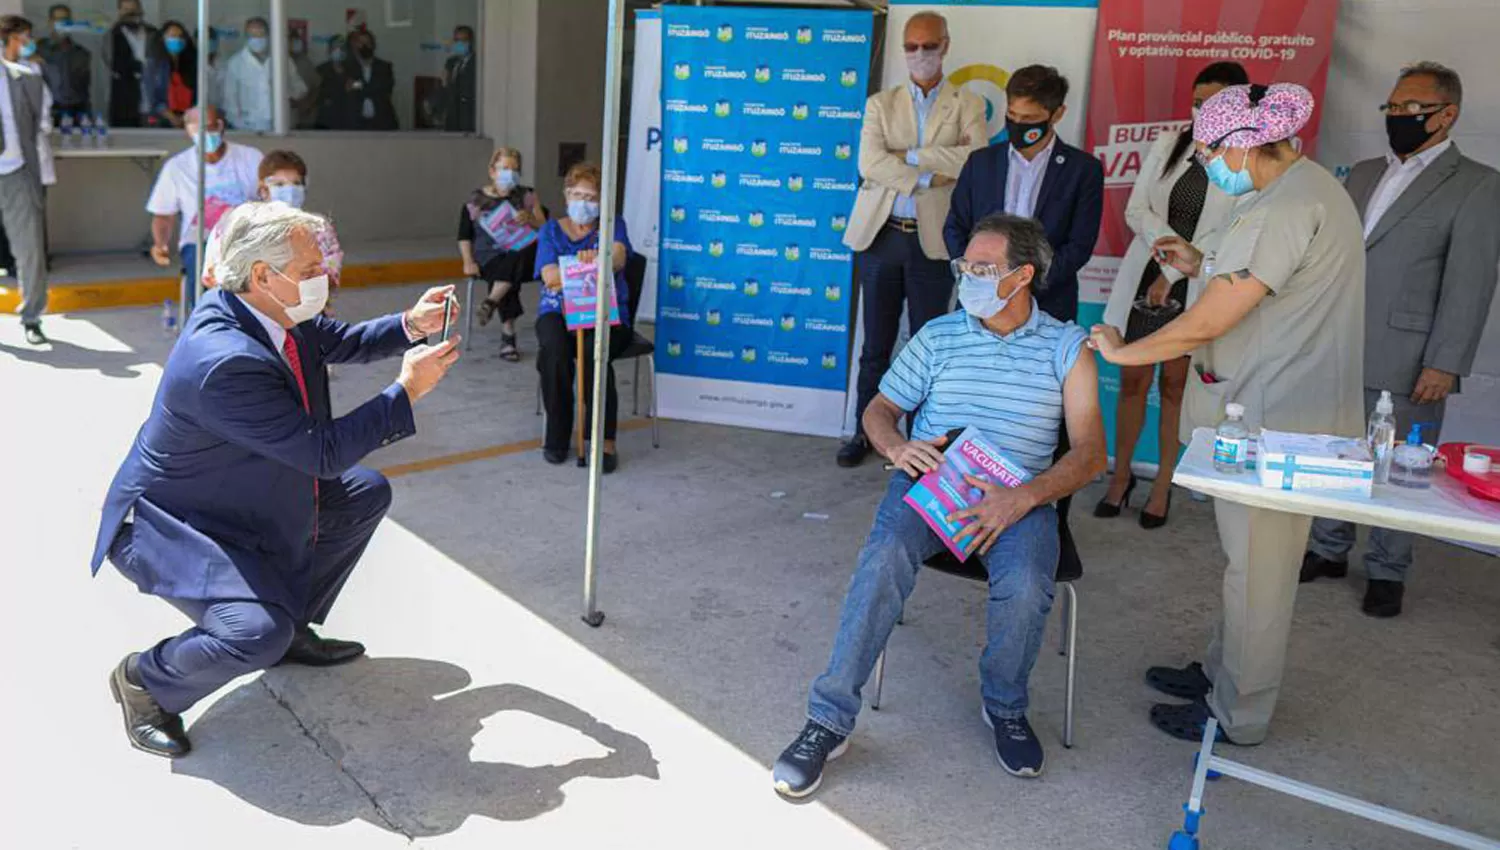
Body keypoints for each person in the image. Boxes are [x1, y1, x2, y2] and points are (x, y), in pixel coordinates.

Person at [91, 201, 461, 758]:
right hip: (173, 523)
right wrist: (406, 391)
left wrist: (411, 325)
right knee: (253, 633)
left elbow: (342, 341)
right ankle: (147, 681)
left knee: (363, 495)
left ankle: (291, 627)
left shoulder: (268, 310)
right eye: (311, 269)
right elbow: (322, 453)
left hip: (241, 494)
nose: (323, 278)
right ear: (264, 274)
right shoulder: (224, 361)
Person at [773, 214, 1106, 798]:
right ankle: (827, 719)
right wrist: (897, 446)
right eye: (965, 267)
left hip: (1019, 494)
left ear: (1022, 276)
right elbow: (878, 410)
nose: (968, 278)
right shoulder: (938, 335)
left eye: (982, 269)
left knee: (1028, 583)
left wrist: (1022, 498)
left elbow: (1090, 454)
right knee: (883, 556)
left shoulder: (1066, 347)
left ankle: (1003, 705)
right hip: (935, 481)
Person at [1088, 83, 1366, 746]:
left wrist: (1125, 355)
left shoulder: (1285, 204)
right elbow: (1265, 277)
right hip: (1271, 404)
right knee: (1247, 567)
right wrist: (1202, 260)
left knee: (1261, 576)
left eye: (1210, 150)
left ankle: (1237, 715)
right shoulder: (1300, 191)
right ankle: (1221, 673)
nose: (1206, 162)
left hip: (1277, 418)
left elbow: (1209, 320)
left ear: (1243, 144)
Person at [1302, 62, 1500, 618]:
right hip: (1339, 342)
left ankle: (1388, 570)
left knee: (1401, 468)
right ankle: (1329, 547)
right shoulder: (1363, 173)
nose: (1397, 118)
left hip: (1412, 356)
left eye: (1409, 109)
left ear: (1446, 115)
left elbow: (1471, 284)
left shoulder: (1477, 185)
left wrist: (1445, 362)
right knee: (1335, 450)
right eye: (1390, 108)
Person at [944, 64, 1104, 592]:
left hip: (1048, 308)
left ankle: (1044, 519)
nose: (1018, 127)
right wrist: (980, 281)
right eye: (1011, 117)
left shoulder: (1082, 170)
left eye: (1030, 119)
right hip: (978, 312)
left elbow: (1080, 244)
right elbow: (955, 228)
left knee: (1054, 423)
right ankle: (955, 504)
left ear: (1057, 115)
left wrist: (1024, 287)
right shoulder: (982, 162)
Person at [1095, 61, 1248, 528]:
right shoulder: (1168, 144)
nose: (1202, 110)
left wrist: (1179, 271)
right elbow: (1138, 210)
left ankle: (1164, 483)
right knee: (1132, 383)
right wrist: (1167, 260)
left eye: (1214, 102)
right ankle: (1120, 477)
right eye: (1197, 101)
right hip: (1147, 277)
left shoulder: (1244, 160)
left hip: (1199, 284)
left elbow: (1232, 232)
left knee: (1176, 387)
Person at [836, 11, 986, 468]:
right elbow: (869, 164)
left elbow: (974, 157)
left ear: (945, 45)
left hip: (933, 243)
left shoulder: (968, 104)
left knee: (927, 348)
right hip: (882, 237)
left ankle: (923, 440)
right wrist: (927, 176)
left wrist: (910, 154)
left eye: (928, 45)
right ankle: (865, 432)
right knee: (875, 345)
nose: (919, 55)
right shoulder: (881, 103)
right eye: (911, 46)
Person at [534, 162, 633, 472]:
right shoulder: (551, 230)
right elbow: (549, 276)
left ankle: (604, 440)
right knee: (555, 353)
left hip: (604, 313)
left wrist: (601, 259)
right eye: (577, 195)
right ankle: (558, 433)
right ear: (566, 195)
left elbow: (617, 257)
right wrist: (581, 265)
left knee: (595, 354)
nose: (583, 203)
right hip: (558, 310)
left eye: (591, 197)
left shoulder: (612, 225)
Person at [146, 105, 263, 283]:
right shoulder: (177, 167)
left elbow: (270, 198)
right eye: (198, 130)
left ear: (220, 125)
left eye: (210, 127)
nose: (206, 134)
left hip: (246, 238)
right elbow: (163, 215)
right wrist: (160, 244)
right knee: (201, 260)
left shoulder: (251, 158)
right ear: (188, 131)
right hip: (201, 241)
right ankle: (205, 310)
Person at [460, 146, 545, 362]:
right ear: (492, 171)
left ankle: (491, 301)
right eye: (504, 168)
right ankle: (508, 335)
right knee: (507, 272)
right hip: (490, 257)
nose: (510, 173)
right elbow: (464, 235)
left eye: (515, 169)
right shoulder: (475, 201)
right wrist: (468, 261)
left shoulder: (527, 196)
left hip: (524, 256)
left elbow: (546, 229)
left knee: (518, 255)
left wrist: (531, 219)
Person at [1, 15, 56, 346]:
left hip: (18, 169)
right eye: (24, 37)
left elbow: (42, 120)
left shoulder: (28, 76)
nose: (27, 44)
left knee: (29, 249)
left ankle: (32, 316)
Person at [223, 17, 306, 132]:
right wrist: (240, 125)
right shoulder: (235, 63)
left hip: (279, 126)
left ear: (268, 36)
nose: (257, 40)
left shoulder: (283, 60)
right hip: (247, 127)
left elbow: (300, 88)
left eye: (261, 35)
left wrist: (287, 95)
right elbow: (230, 100)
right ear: (246, 37)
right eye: (252, 35)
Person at [36, 4, 91, 125]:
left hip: (76, 112)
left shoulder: (81, 53)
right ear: (50, 22)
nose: (62, 24)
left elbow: (85, 90)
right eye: (58, 19)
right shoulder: (39, 50)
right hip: (48, 112)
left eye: (66, 20)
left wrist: (87, 115)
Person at [104, 0, 156, 128]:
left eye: (134, 10)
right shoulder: (111, 35)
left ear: (141, 10)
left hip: (153, 99)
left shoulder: (153, 33)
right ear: (119, 12)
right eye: (126, 10)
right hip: (124, 101)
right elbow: (113, 64)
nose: (131, 14)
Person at [145, 20, 196, 128]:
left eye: (180, 36)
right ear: (163, 39)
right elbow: (151, 97)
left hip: (188, 121)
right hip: (161, 122)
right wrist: (172, 118)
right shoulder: (154, 65)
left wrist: (186, 117)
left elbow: (196, 95)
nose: (177, 40)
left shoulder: (190, 65)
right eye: (172, 36)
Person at [344, 29, 396, 131]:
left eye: (368, 43)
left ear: (373, 45)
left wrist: (356, 85)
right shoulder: (348, 68)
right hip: (355, 125)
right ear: (354, 46)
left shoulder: (384, 67)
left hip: (382, 124)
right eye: (361, 43)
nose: (364, 46)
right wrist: (370, 88)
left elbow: (383, 90)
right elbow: (347, 93)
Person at [314, 35, 353, 130]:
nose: (338, 50)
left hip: (348, 118)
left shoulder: (353, 70)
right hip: (326, 119)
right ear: (329, 50)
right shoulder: (321, 70)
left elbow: (360, 86)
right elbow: (316, 93)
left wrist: (353, 86)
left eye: (341, 48)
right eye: (335, 47)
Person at [443, 25, 477, 133]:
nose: (461, 44)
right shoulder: (452, 62)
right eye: (457, 40)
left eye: (464, 40)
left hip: (468, 117)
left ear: (471, 42)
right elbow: (446, 86)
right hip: (452, 116)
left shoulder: (477, 62)